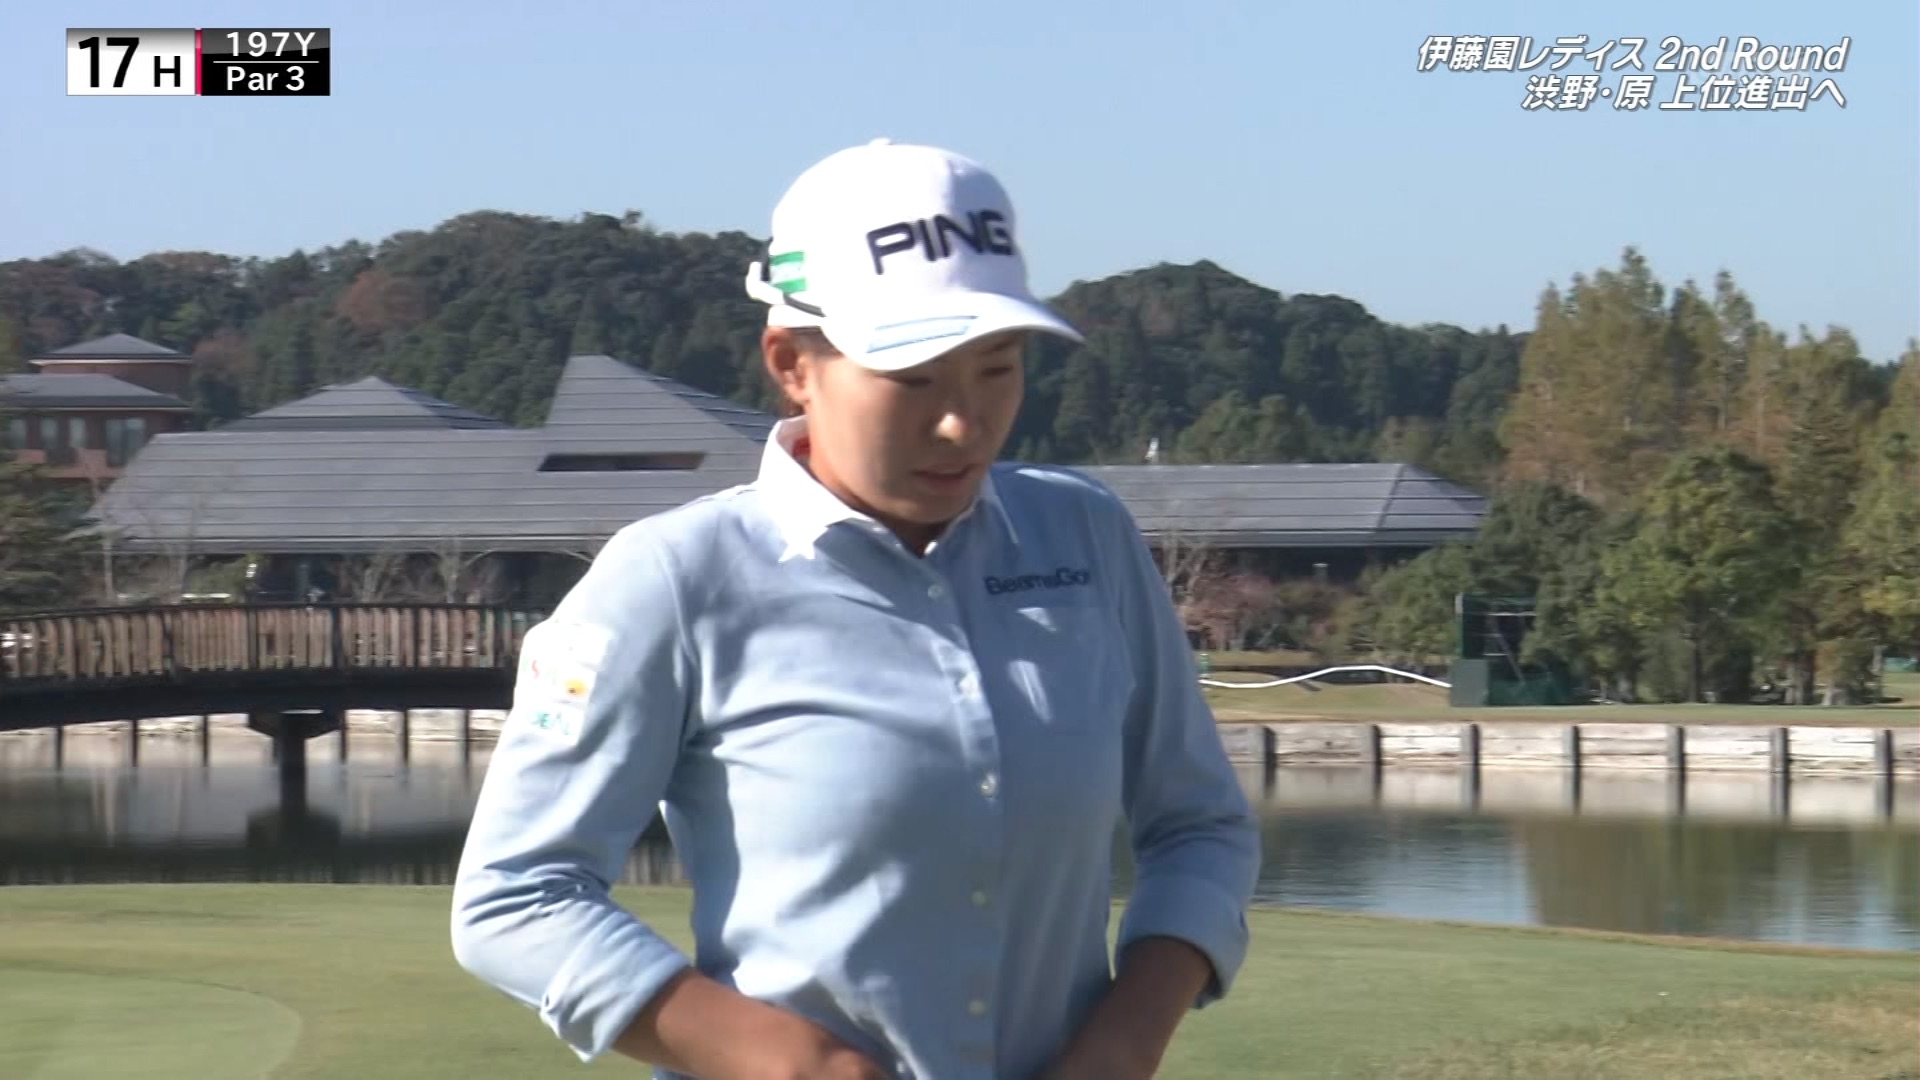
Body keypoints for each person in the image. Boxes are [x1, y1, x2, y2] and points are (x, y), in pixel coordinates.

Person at [450, 138, 1261, 1080]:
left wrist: (1122, 1045)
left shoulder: (1085, 538)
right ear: (792, 363)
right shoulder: (671, 579)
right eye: (912, 379)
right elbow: (516, 898)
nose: (962, 423)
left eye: (997, 368)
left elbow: (1200, 826)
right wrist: (803, 1063)